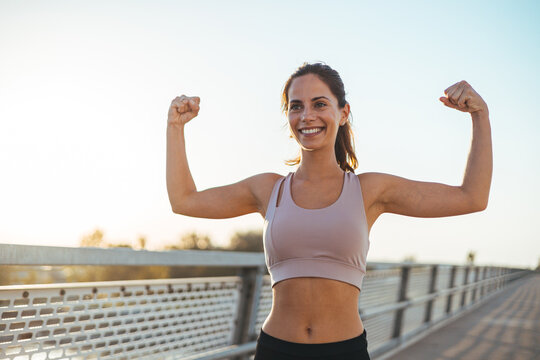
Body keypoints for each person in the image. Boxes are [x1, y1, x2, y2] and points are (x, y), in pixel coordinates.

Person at [166, 62, 492, 360]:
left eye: (319, 104)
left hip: (345, 352)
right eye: (296, 107)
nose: (307, 115)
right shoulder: (268, 189)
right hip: (276, 350)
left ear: (343, 112)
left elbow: (471, 197)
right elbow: (184, 201)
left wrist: (480, 115)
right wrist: (175, 126)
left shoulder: (369, 190)